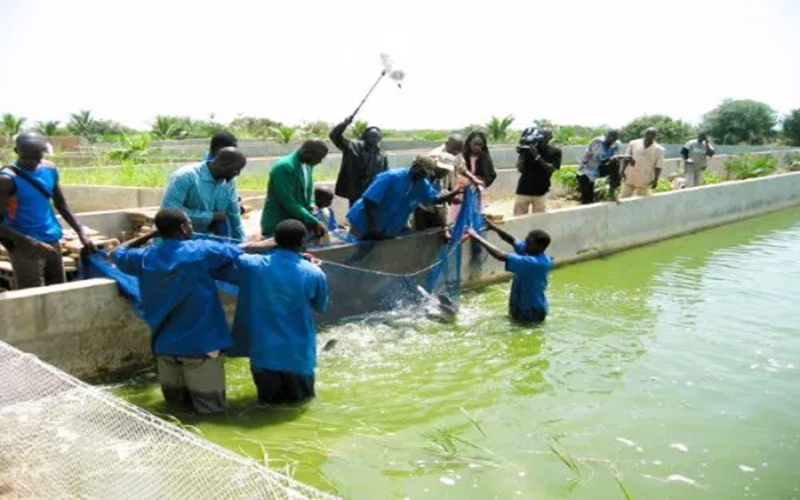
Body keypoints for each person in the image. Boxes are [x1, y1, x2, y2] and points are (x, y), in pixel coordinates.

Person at [112, 208, 242, 414]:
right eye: (189, 223)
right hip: (201, 348)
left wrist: (152, 234)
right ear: (183, 228)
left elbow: (117, 252)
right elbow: (237, 249)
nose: (191, 227)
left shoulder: (144, 258)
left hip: (165, 348)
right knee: (212, 411)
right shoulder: (201, 251)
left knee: (175, 411)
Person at [216, 219, 328, 404]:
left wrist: (250, 245)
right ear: (302, 242)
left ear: (274, 240)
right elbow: (320, 306)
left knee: (268, 406)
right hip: (297, 356)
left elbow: (221, 259)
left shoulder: (251, 266)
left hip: (263, 354)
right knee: (301, 407)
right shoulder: (314, 273)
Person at [0, 132, 95, 289]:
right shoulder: (6, 179)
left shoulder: (49, 169)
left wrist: (81, 232)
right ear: (17, 152)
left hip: (51, 239)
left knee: (58, 289)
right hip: (23, 244)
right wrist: (32, 243)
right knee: (31, 292)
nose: (32, 162)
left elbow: (61, 203)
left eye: (37, 157)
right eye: (27, 157)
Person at [346, 156, 462, 240]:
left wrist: (453, 193)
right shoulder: (390, 177)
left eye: (425, 174)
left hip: (386, 229)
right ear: (415, 167)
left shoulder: (421, 184)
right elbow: (369, 201)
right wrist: (372, 227)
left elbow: (433, 199)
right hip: (363, 223)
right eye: (422, 172)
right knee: (353, 254)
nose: (422, 176)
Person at [468, 220, 553, 324]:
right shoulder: (532, 252)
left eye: (528, 243)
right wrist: (494, 228)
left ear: (539, 247)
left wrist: (476, 237)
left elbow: (500, 255)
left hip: (530, 311)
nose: (525, 245)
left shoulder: (534, 263)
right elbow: (512, 240)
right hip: (525, 305)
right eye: (526, 241)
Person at [162, 147, 247, 241]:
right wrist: (210, 216)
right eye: (237, 169)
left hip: (204, 242)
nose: (238, 173)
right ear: (225, 164)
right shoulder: (185, 177)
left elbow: (234, 216)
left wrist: (241, 242)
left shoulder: (228, 182)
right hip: (175, 243)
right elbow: (169, 210)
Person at [261, 139, 329, 238]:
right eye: (318, 158)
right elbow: (287, 201)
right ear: (305, 152)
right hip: (280, 223)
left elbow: (306, 192)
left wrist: (310, 204)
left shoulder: (308, 165)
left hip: (298, 222)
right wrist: (313, 221)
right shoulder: (284, 167)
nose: (320, 162)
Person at [419, 135, 484, 228]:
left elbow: (462, 168)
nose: (455, 153)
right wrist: (444, 227)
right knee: (427, 236)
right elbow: (437, 200)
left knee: (438, 234)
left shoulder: (455, 154)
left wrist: (473, 178)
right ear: (447, 144)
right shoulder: (436, 158)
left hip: (440, 201)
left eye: (458, 150)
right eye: (454, 150)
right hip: (427, 207)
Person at [331, 115, 388, 207]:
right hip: (356, 189)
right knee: (355, 215)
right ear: (365, 137)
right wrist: (344, 124)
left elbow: (385, 173)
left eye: (376, 137)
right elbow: (334, 136)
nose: (374, 140)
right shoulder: (352, 146)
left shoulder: (382, 154)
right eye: (371, 137)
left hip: (373, 190)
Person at [514, 129, 562, 215]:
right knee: (518, 218)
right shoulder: (528, 150)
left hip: (541, 191)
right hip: (523, 190)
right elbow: (520, 169)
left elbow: (552, 169)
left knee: (539, 219)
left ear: (550, 138)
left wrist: (537, 157)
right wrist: (521, 155)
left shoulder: (555, 152)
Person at [454, 131, 496, 220]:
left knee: (474, 214)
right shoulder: (461, 157)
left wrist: (482, 182)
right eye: (474, 144)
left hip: (476, 190)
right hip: (460, 190)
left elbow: (491, 175)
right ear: (469, 143)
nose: (477, 147)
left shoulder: (485, 158)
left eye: (480, 145)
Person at [576, 130, 624, 204]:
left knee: (616, 164)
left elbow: (617, 156)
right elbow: (600, 158)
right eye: (610, 136)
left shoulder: (616, 144)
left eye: (615, 137)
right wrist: (613, 158)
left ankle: (611, 194)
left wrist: (622, 161)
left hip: (598, 169)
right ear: (605, 135)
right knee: (588, 199)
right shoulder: (597, 141)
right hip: (586, 171)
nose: (612, 139)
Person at [620, 127, 665, 198]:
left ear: (656, 136)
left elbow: (658, 166)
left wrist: (656, 179)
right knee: (624, 198)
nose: (650, 136)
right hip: (630, 176)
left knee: (644, 201)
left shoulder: (659, 149)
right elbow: (626, 158)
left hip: (645, 179)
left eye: (652, 134)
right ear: (644, 133)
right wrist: (622, 171)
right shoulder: (633, 143)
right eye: (648, 134)